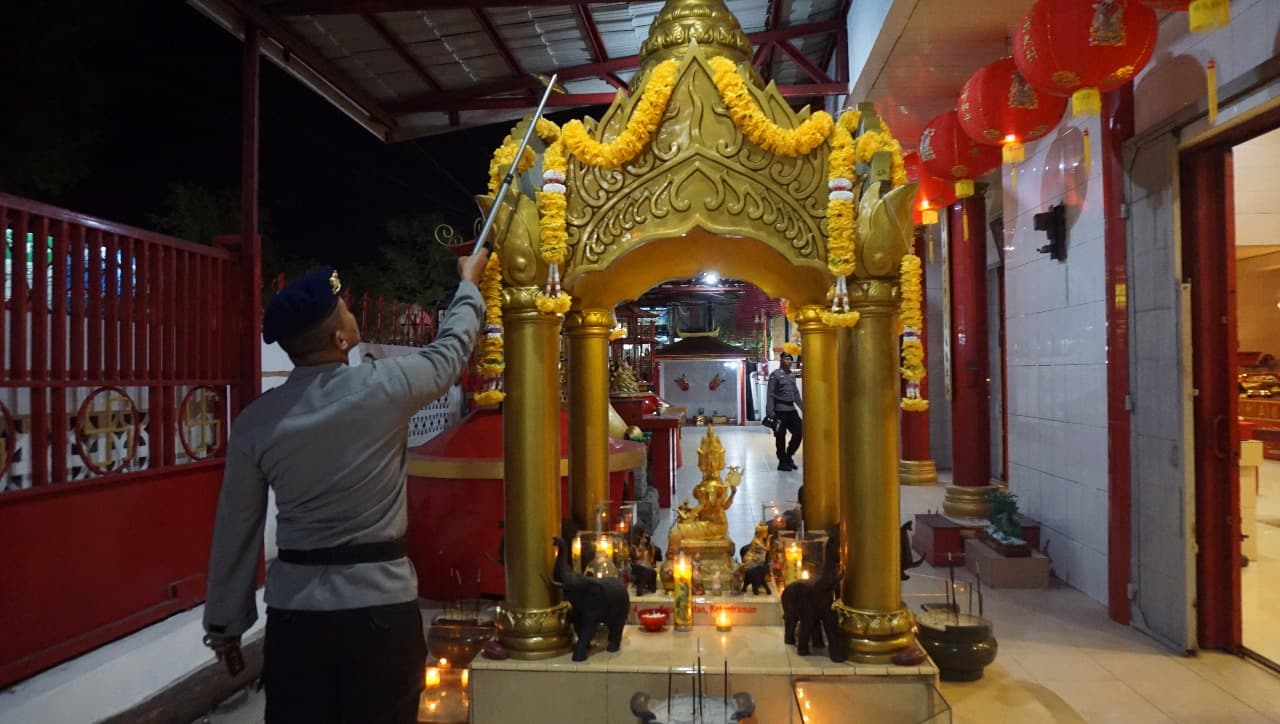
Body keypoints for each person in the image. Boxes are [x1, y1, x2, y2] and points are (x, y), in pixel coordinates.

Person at [201, 250, 488, 724]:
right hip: (380, 613)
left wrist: (225, 627)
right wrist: (469, 284)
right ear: (339, 337)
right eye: (346, 310)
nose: (353, 314)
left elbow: (236, 528)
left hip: (296, 621)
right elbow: (452, 349)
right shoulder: (384, 387)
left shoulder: (257, 422)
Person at [766, 351, 803, 471]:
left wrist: (803, 408)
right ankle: (782, 462)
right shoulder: (775, 375)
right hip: (780, 410)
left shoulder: (792, 375)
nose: (789, 361)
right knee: (780, 437)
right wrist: (770, 411)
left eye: (790, 359)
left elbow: (796, 393)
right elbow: (770, 394)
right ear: (781, 361)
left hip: (791, 410)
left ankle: (789, 455)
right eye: (786, 359)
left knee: (799, 433)